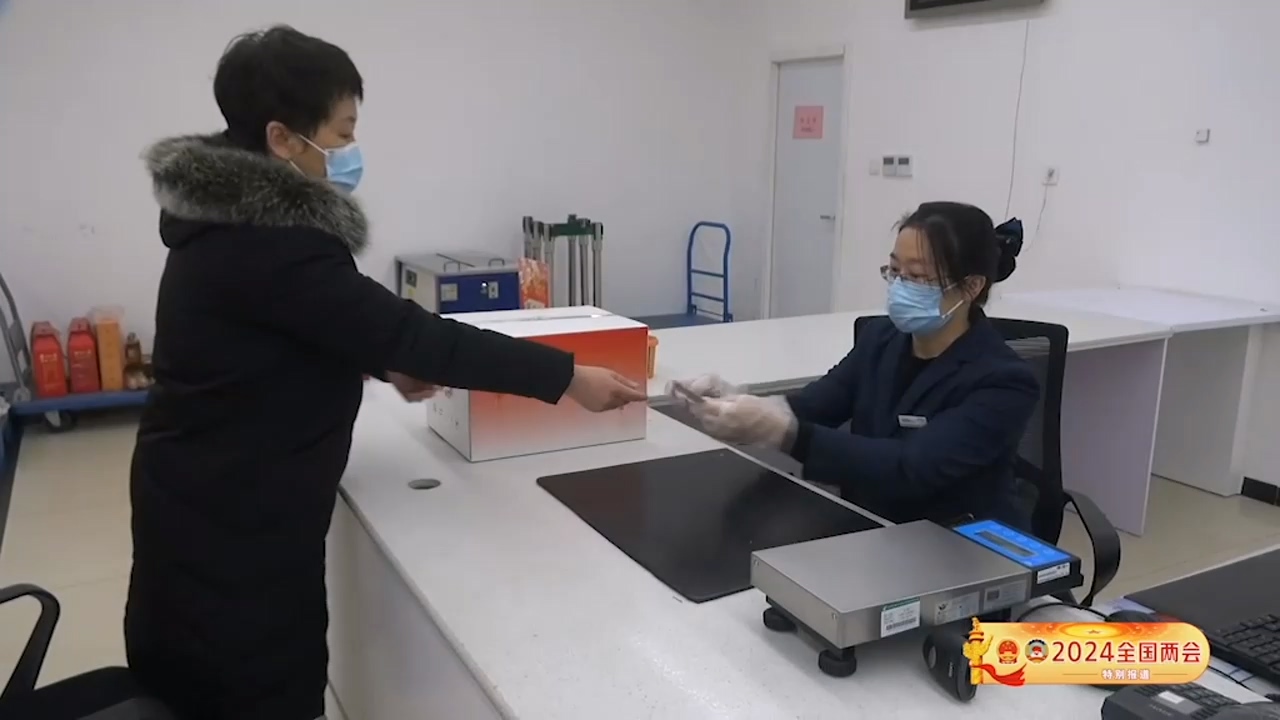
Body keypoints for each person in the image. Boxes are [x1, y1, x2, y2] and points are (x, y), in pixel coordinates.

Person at [127, 25, 646, 720]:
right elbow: (413, 334)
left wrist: (381, 359)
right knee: (253, 690)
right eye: (340, 135)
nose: (349, 152)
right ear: (282, 138)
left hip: (201, 499)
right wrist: (568, 377)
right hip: (234, 535)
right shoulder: (269, 240)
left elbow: (310, 323)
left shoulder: (226, 218)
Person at [674, 202, 1038, 528]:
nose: (900, 286)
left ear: (971, 287)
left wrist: (781, 432)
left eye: (918, 276)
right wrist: (735, 402)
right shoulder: (880, 339)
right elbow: (815, 406)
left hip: (955, 542)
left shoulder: (1005, 381)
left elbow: (910, 468)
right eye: (894, 270)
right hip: (869, 526)